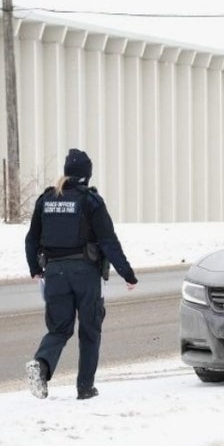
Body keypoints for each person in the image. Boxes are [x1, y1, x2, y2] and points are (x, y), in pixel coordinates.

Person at [23, 149, 138, 400]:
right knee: (89, 330)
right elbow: (108, 241)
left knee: (59, 329)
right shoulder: (90, 201)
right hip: (85, 273)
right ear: (87, 174)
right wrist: (127, 274)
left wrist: (35, 269)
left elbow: (31, 239)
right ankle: (85, 388)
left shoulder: (47, 199)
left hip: (54, 272)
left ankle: (41, 365)